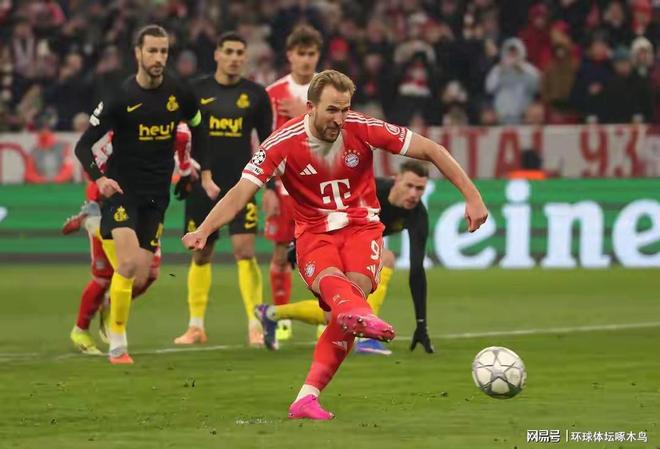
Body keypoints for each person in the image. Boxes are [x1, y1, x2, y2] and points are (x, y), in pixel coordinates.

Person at [182, 70, 488, 419]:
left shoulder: (362, 127)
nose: (340, 119)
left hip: (361, 227)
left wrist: (473, 196)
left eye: (345, 109)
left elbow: (432, 149)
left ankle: (306, 397)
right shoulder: (281, 143)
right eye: (331, 110)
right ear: (310, 107)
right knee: (335, 287)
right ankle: (362, 315)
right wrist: (205, 229)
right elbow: (240, 192)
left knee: (349, 301)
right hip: (314, 233)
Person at [74, 25, 207, 364]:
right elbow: (83, 146)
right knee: (129, 263)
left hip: (156, 196)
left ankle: (110, 309)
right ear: (138, 53)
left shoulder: (180, 92)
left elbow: (198, 126)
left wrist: (195, 169)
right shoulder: (119, 98)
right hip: (122, 191)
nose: (158, 58)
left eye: (163, 51)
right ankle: (118, 344)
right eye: (152, 51)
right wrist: (100, 180)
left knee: (145, 274)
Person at [255, 161, 435, 355]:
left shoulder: (417, 216)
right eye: (409, 185)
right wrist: (299, 240)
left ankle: (271, 314)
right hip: (328, 242)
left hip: (356, 252)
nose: (414, 194)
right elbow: (326, 202)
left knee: (335, 314)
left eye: (420, 189)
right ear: (396, 179)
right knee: (386, 258)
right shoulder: (371, 189)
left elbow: (417, 271)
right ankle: (366, 338)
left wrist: (421, 324)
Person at [173, 31, 272, 347]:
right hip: (201, 184)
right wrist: (184, 168)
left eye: (239, 52)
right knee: (201, 252)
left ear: (245, 57)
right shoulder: (196, 90)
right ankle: (195, 326)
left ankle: (255, 325)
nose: (234, 58)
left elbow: (268, 143)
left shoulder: (256, 95)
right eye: (228, 51)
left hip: (242, 184)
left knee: (245, 249)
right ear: (217, 54)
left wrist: (271, 186)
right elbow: (180, 133)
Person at [66, 125, 194, 354]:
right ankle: (81, 331)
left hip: (147, 206)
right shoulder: (125, 126)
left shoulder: (179, 131)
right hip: (111, 205)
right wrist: (100, 187)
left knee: (148, 273)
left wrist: (187, 174)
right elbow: (92, 158)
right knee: (106, 277)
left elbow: (184, 160)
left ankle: (111, 306)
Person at [263, 25, 323, 342]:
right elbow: (267, 143)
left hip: (323, 186)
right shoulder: (273, 94)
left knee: (327, 255)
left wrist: (306, 114)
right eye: (301, 53)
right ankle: (281, 317)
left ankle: (326, 315)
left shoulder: (328, 89)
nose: (306, 59)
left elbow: (343, 130)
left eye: (311, 53)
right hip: (286, 187)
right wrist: (268, 188)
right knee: (280, 254)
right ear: (290, 55)